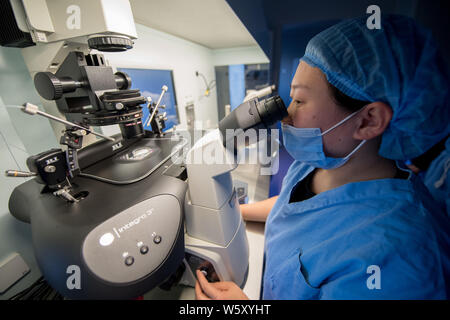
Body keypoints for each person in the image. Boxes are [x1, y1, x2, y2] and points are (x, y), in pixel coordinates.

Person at [195, 15, 450, 300]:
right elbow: (295, 209)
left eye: (300, 100)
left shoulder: (397, 259)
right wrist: (230, 215)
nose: (287, 113)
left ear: (369, 120)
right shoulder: (317, 163)